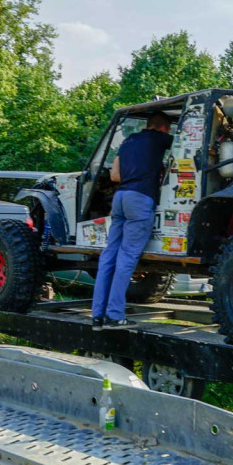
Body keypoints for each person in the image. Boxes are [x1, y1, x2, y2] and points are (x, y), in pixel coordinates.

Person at [91, 112, 174, 330]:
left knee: (109, 256)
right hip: (140, 198)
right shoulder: (159, 138)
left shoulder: (127, 142)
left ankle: (97, 316)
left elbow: (115, 176)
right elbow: (187, 147)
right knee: (126, 258)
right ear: (164, 128)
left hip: (120, 198)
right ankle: (115, 316)